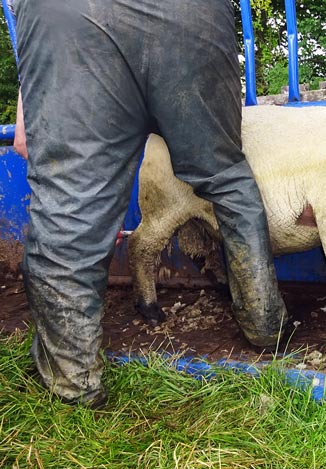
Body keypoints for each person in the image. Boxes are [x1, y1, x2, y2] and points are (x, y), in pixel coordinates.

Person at [12, 0, 288, 407]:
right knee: (226, 178)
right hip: (191, 17)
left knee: (71, 207)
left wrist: (32, 92)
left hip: (67, 18)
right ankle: (267, 328)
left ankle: (71, 386)